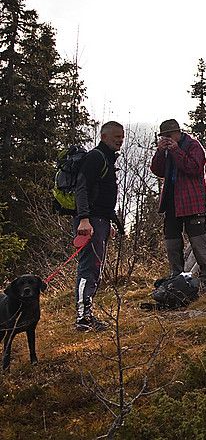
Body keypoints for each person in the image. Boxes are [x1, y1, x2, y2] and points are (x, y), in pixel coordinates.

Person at [73, 121, 124, 331]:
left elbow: (103, 194)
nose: (120, 141)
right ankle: (82, 318)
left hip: (100, 221)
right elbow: (81, 188)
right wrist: (84, 219)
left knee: (95, 269)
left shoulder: (107, 159)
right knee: (88, 269)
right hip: (90, 222)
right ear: (104, 137)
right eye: (116, 137)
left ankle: (87, 315)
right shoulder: (96, 157)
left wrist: (109, 221)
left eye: (122, 137)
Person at [150, 119, 206, 291]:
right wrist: (159, 152)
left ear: (178, 133)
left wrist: (176, 151)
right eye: (164, 137)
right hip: (172, 202)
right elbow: (157, 170)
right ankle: (176, 277)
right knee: (172, 242)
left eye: (169, 136)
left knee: (198, 242)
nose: (167, 139)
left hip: (192, 202)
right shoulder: (165, 151)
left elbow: (193, 167)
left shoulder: (193, 146)